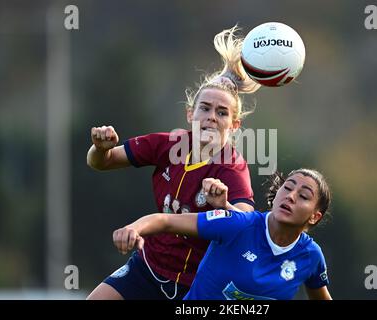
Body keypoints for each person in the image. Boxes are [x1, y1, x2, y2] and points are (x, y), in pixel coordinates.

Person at [86, 25, 261, 300]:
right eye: (204, 108)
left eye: (222, 112)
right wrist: (99, 147)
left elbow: (246, 223)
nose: (211, 117)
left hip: (197, 286)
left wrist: (225, 204)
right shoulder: (165, 144)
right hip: (147, 268)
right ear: (190, 113)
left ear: (235, 125)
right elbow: (101, 162)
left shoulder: (232, 167)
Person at [113, 169, 333, 300]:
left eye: (303, 196)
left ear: (315, 216)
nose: (291, 196)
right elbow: (166, 221)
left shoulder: (310, 256)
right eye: (287, 188)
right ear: (276, 196)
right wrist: (133, 228)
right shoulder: (237, 224)